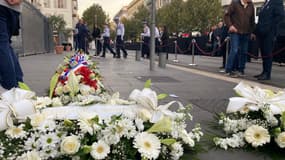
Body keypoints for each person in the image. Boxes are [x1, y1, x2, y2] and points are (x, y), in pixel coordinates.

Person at [253, 0, 285, 80]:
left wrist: (272, 27)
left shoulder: (277, 1)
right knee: (264, 52)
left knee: (267, 52)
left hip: (269, 33)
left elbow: (281, 16)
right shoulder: (266, 2)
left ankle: (267, 73)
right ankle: (264, 71)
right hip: (262, 32)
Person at [224, 0, 255, 77]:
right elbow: (227, 15)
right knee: (234, 50)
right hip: (235, 31)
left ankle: (241, 70)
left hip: (246, 32)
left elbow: (252, 20)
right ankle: (229, 69)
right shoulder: (235, 3)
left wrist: (252, 32)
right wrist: (230, 26)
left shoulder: (251, 5)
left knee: (244, 52)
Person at [0, 0, 24, 90]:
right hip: (14, 10)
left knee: (2, 45)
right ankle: (19, 86)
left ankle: (11, 89)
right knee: (5, 45)